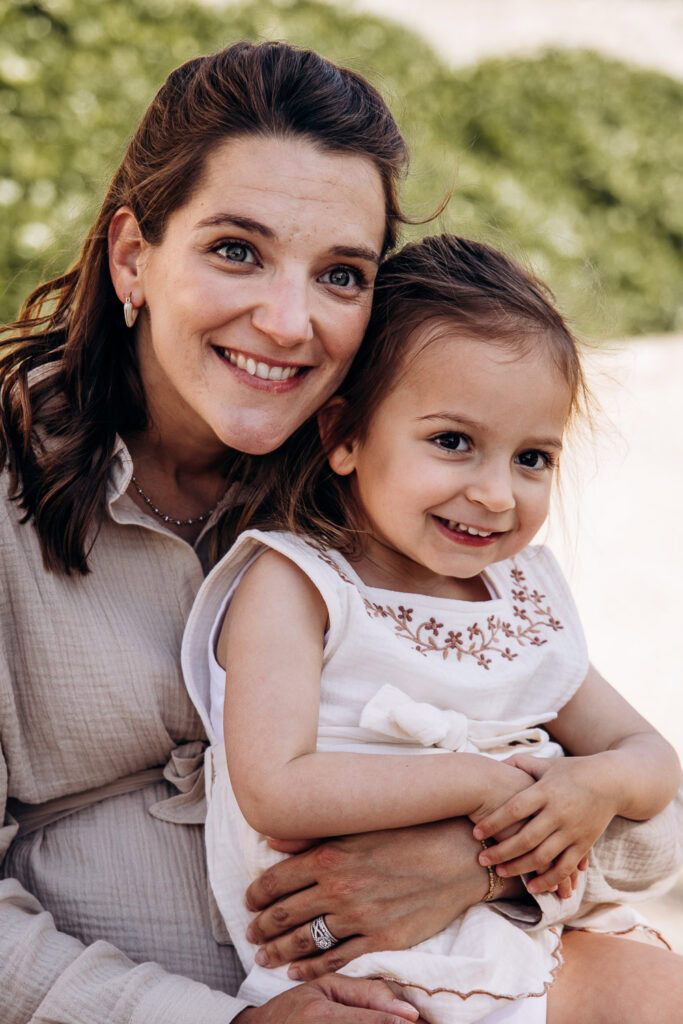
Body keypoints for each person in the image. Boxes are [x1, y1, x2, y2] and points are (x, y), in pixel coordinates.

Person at [0, 38, 680, 1024]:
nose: (287, 321)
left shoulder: (399, 497)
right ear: (133, 258)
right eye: (237, 250)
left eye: (341, 274)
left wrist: (471, 866)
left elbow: (644, 827)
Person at [182, 235, 683, 1023]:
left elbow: (654, 760)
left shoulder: (517, 600)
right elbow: (275, 787)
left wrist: (596, 784)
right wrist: (486, 785)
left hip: (528, 930)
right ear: (343, 436)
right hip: (372, 961)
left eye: (531, 457)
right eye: (453, 443)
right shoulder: (301, 584)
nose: (494, 493)